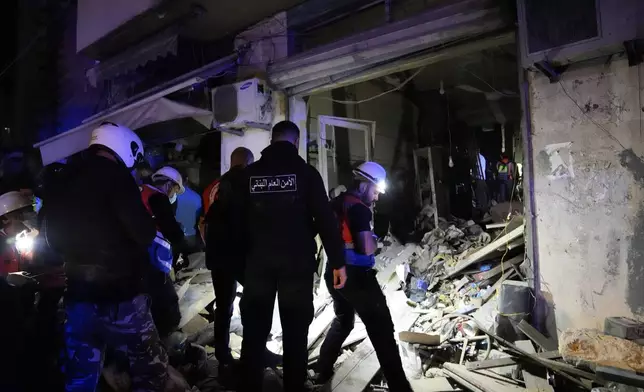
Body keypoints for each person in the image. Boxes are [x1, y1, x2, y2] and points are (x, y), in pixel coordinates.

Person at [44, 122, 168, 391]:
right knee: (150, 371)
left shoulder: (62, 177)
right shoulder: (116, 177)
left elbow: (51, 240)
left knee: (80, 376)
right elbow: (143, 232)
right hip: (120, 298)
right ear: (125, 147)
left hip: (77, 296)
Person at [239, 121, 346, 392]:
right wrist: (338, 262)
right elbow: (325, 221)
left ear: (272, 140)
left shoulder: (249, 175)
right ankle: (294, 387)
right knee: (295, 332)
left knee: (253, 331)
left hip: (257, 263)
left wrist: (240, 265)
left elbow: (234, 223)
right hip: (295, 263)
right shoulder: (306, 173)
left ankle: (249, 385)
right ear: (296, 142)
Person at [315, 162, 414, 392]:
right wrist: (375, 234)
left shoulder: (337, 203)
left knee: (343, 321)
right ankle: (400, 386)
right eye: (376, 191)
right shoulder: (359, 209)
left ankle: (322, 368)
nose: (377, 197)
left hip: (334, 272)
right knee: (382, 329)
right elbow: (366, 248)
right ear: (364, 185)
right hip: (357, 277)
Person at [203, 147, 257, 380]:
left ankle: (222, 354)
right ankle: (252, 353)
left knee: (223, 306)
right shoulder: (250, 181)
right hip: (240, 253)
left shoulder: (214, 187)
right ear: (247, 162)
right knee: (254, 303)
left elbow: (204, 221)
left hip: (217, 255)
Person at [140, 166, 187, 338]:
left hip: (136, 260)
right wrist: (182, 246)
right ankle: (166, 344)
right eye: (175, 189)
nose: (173, 194)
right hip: (153, 260)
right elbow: (172, 231)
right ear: (168, 184)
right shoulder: (158, 198)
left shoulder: (140, 191)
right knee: (167, 304)